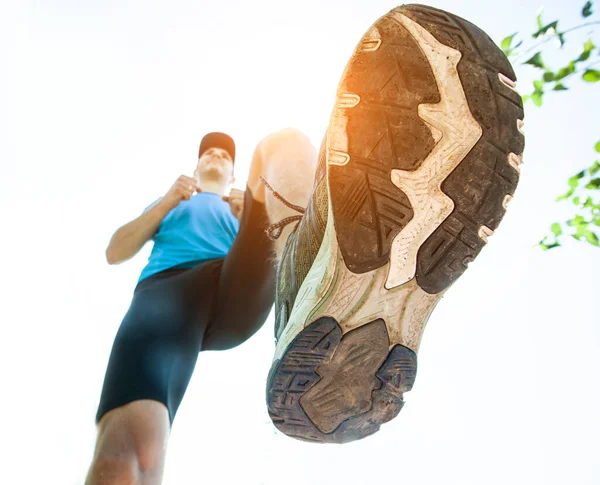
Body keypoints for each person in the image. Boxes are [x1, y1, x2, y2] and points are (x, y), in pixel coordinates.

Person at [86, 3, 525, 483]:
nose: (215, 154)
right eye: (207, 151)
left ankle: (310, 263)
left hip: (238, 283)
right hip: (165, 297)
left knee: (283, 142)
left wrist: (255, 209)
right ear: (195, 167)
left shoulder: (242, 204)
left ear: (231, 171)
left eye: (222, 153)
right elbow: (115, 251)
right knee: (132, 446)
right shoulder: (176, 202)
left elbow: (253, 226)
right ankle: (314, 264)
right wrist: (168, 199)